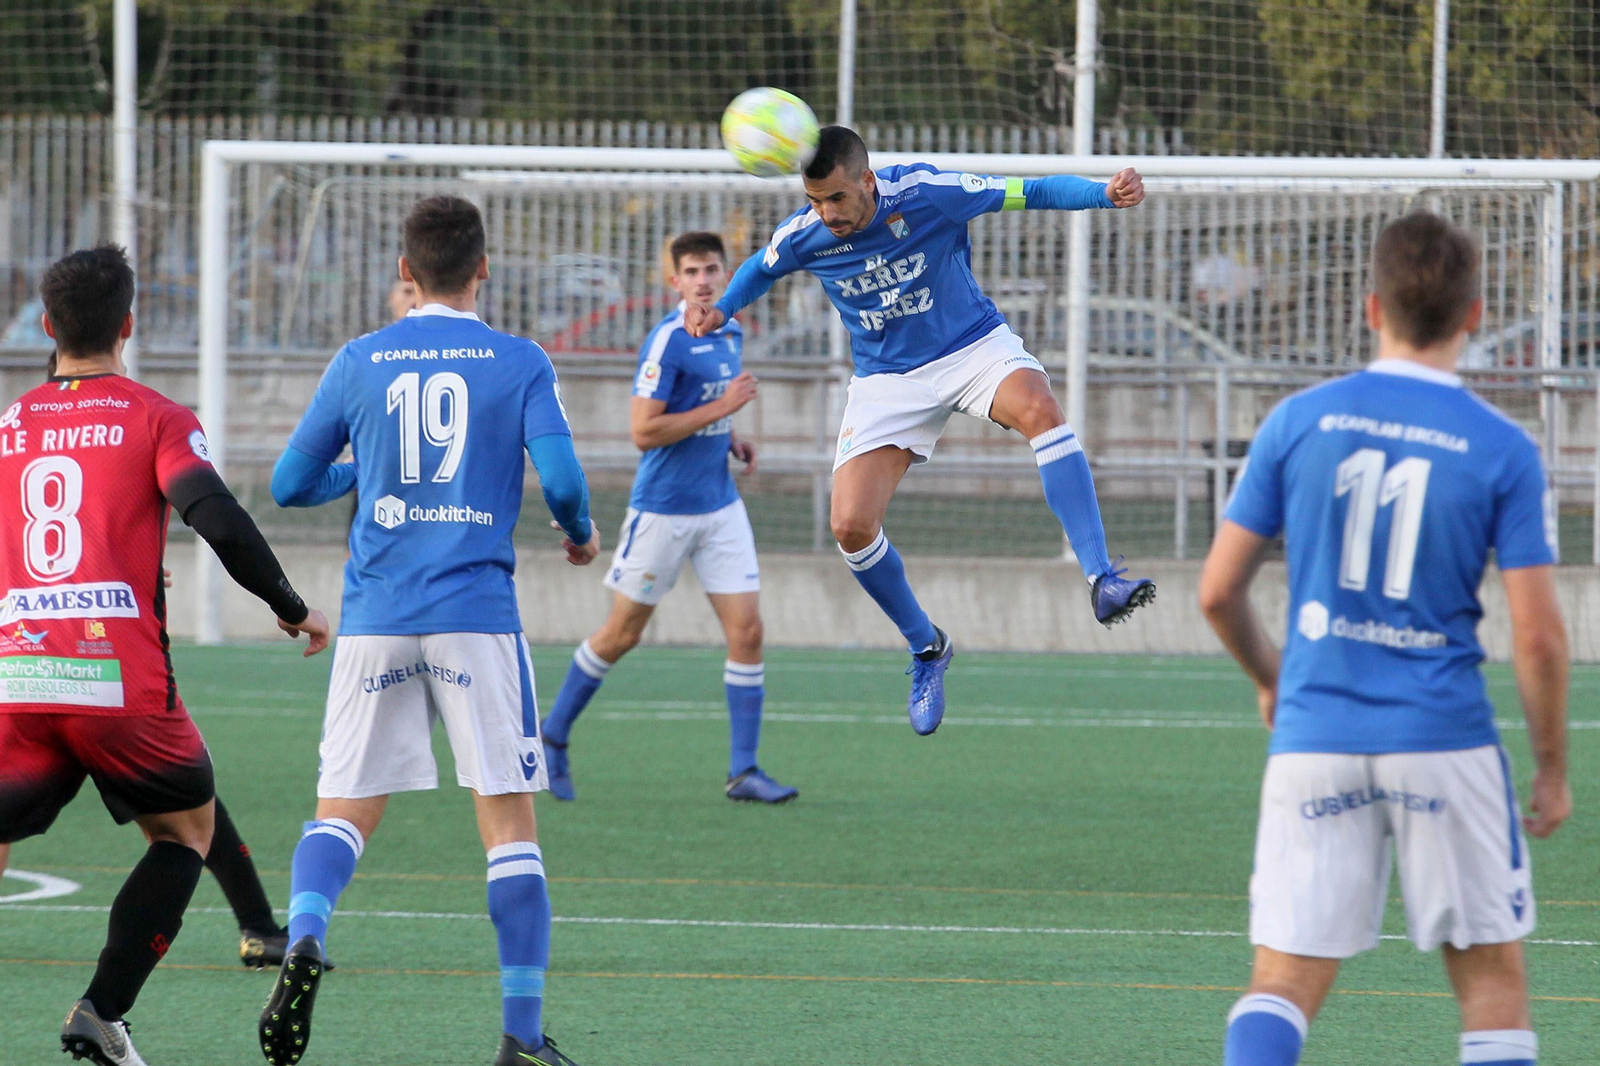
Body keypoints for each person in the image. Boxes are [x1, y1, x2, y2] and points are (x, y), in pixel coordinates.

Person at [1198, 212, 1571, 1066]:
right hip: (1443, 740)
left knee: (1284, 981)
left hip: (1315, 737)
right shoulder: (1503, 447)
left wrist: (1271, 679)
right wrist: (1551, 767)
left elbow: (1218, 591)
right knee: (1491, 986)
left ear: (1371, 308)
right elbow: (1540, 639)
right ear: (1475, 316)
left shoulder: (1298, 421)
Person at [685, 126, 1155, 735]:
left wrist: (1102, 194)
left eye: (836, 199)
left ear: (868, 181)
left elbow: (1030, 189)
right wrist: (720, 308)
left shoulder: (929, 192)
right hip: (888, 381)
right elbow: (757, 269)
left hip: (971, 347)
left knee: (1040, 408)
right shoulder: (806, 235)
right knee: (851, 527)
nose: (826, 214)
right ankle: (928, 647)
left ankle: (1102, 579)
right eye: (814, 200)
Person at [266, 195, 593, 1066]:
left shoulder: (360, 358)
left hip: (375, 617)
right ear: (483, 268)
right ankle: (521, 1038)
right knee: (509, 825)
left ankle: (304, 934)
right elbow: (560, 478)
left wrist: (364, 476)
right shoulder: (518, 359)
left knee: (343, 810)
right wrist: (580, 530)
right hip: (475, 620)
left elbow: (288, 484)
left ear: (404, 274)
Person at [0, 245, 330, 1066]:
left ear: (47, 327)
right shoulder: (155, 416)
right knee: (185, 830)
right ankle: (101, 1011)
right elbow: (214, 516)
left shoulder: (7, 423)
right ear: (130, 325)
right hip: (116, 680)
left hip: (17, 673)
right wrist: (290, 607)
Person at [541, 232, 796, 804]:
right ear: (673, 281)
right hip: (663, 512)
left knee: (749, 632)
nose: (704, 280)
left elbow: (702, 407)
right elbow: (644, 431)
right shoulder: (666, 343)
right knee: (623, 635)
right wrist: (724, 408)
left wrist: (731, 437)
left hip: (720, 506)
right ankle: (553, 735)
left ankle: (743, 771)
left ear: (727, 275)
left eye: (712, 268)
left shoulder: (731, 330)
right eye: (692, 271)